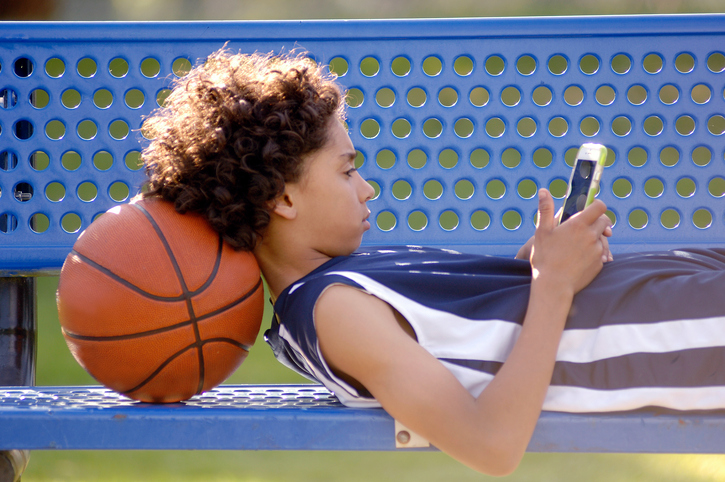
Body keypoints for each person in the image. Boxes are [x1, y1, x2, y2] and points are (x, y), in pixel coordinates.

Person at [142, 48, 725, 476]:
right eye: (347, 170)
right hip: (663, 333)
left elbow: (486, 321)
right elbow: (491, 443)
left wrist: (536, 267)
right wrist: (551, 285)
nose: (367, 189)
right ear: (283, 199)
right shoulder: (332, 312)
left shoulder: (341, 283)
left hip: (665, 293)